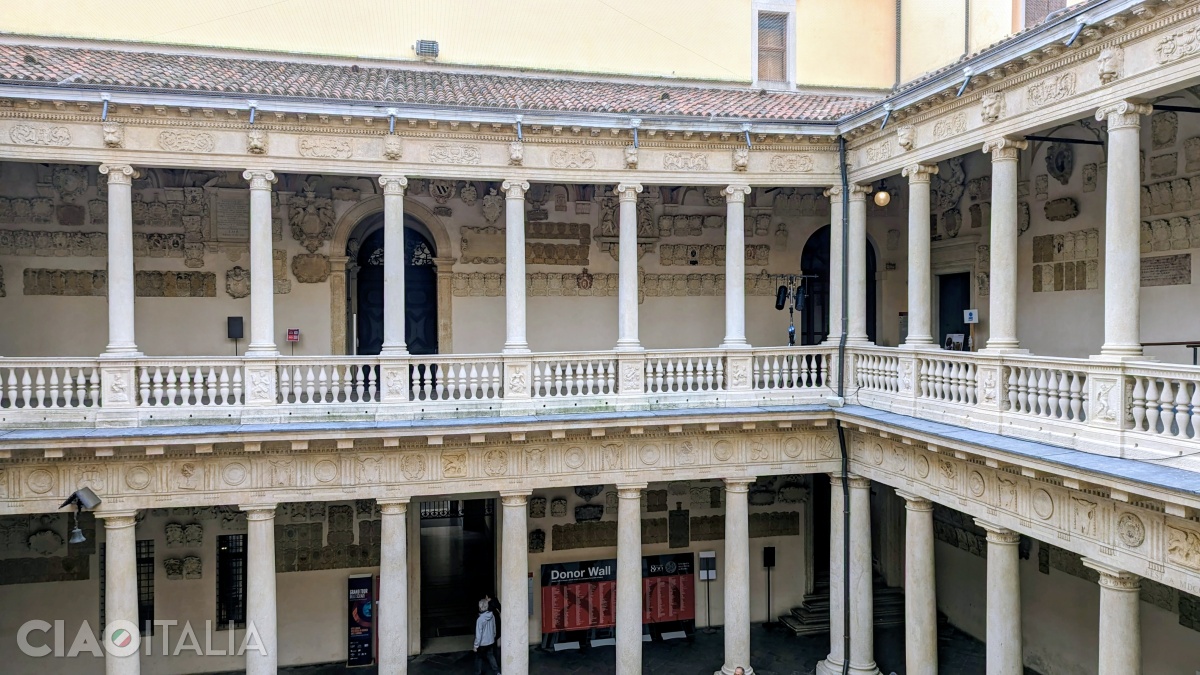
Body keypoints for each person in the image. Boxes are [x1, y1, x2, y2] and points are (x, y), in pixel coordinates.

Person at [473, 598, 500, 675]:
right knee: (491, 656)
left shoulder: (480, 619)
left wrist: (475, 646)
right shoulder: (492, 615)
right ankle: (497, 671)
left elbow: (478, 634)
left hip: (482, 643)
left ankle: (478, 673)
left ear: (480, 607)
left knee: (478, 658)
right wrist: (493, 636)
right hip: (491, 641)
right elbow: (494, 627)